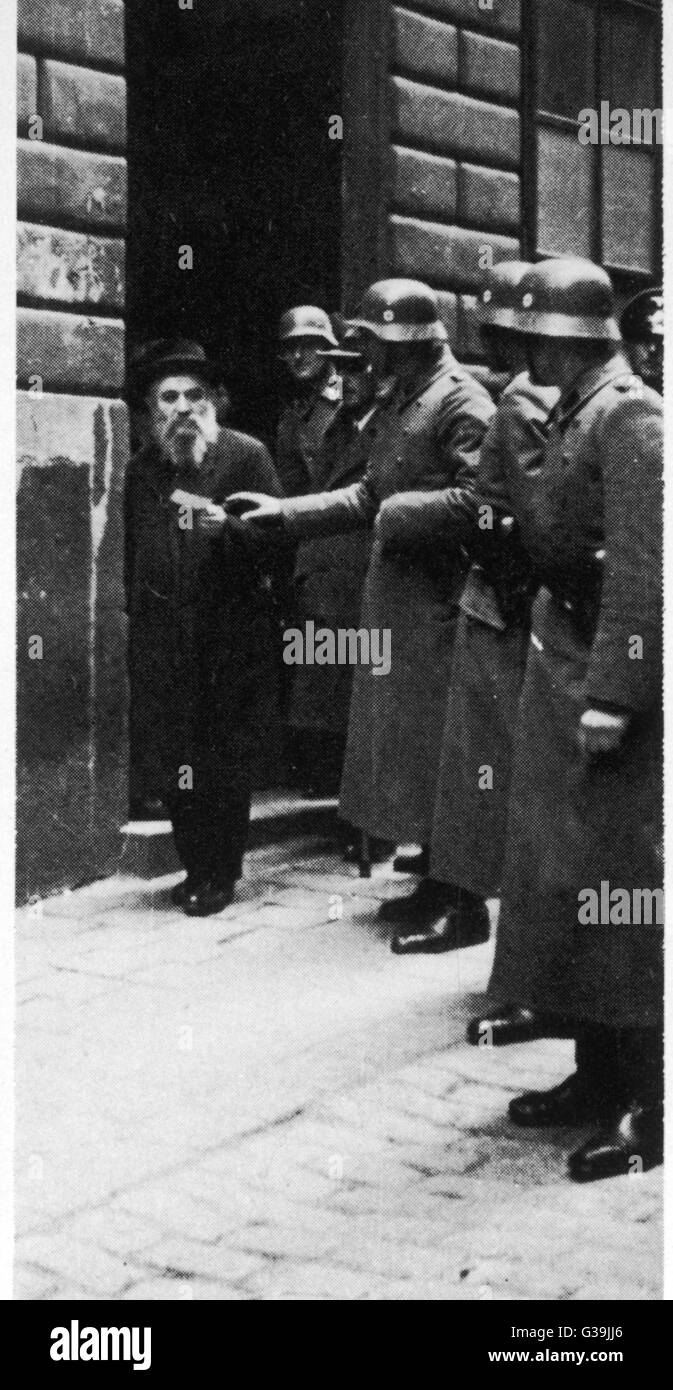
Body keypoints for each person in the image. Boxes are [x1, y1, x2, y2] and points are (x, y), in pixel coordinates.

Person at [484, 259, 663, 1181]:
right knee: (569, 879)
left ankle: (647, 1099)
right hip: (565, 664)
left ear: (574, 339)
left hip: (609, 685)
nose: (520, 351)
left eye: (534, 336)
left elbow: (644, 571)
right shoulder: (572, 412)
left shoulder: (631, 417)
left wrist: (615, 694)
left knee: (625, 888)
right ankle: (594, 1074)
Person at [225, 279, 495, 879]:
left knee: (441, 747)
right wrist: (287, 513)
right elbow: (367, 493)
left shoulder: (462, 402)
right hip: (402, 602)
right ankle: (430, 872)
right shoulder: (410, 399)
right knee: (408, 743)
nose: (363, 356)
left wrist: (401, 512)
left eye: (372, 341)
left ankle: (456, 892)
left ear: (405, 343)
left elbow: (484, 503)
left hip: (440, 605)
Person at [375, 263, 560, 958]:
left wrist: (423, 513)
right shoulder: (522, 394)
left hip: (510, 603)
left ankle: (466, 905)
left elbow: (504, 508)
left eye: (499, 327)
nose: (492, 339)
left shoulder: (516, 400)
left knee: (483, 764)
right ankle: (452, 889)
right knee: (470, 764)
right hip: (503, 600)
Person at [124, 339, 282, 916]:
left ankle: (220, 874)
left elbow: (279, 545)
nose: (184, 407)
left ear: (213, 401)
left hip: (230, 638)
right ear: (151, 408)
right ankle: (194, 865)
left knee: (224, 760)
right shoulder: (142, 469)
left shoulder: (247, 457)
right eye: (170, 397)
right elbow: (131, 551)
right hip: (166, 641)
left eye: (195, 395)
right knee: (177, 759)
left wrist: (231, 533)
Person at [287, 332, 379, 799]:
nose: (351, 379)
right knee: (324, 682)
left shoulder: (389, 427)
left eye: (361, 368)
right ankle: (332, 791)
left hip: (363, 569)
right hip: (323, 568)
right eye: (345, 369)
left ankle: (362, 817)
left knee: (360, 692)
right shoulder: (337, 426)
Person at [275, 306, 342, 496]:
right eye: (290, 348)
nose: (297, 356)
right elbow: (290, 484)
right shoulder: (292, 414)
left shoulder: (348, 395)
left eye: (308, 345)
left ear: (327, 347)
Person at [619, 287, 663, 395]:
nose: (653, 350)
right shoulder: (616, 401)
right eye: (645, 340)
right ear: (627, 346)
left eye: (661, 341)